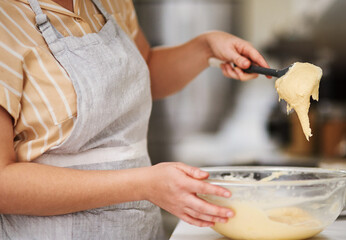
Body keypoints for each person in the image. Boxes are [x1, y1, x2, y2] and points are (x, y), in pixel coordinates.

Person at [0, 0, 270, 239]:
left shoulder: (111, 3)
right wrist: (142, 185)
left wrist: (205, 47)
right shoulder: (6, 22)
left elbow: (142, 75)